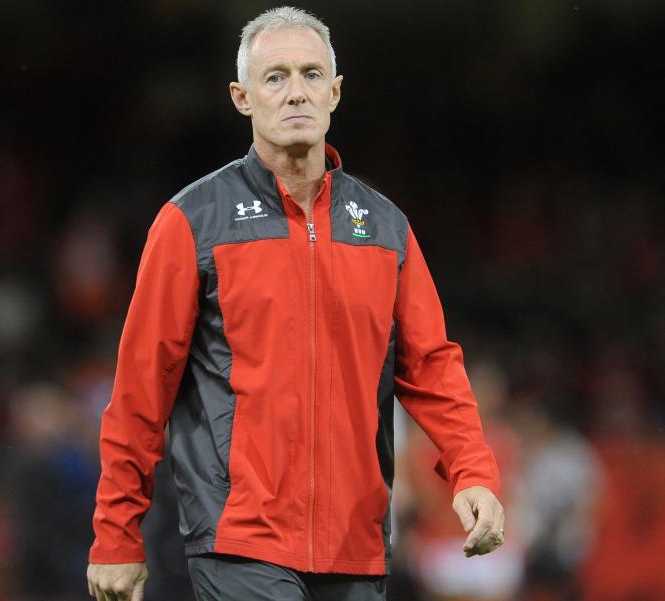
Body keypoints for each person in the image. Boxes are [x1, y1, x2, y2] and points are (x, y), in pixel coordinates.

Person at [86, 7, 505, 601]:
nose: (295, 93)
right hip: (239, 539)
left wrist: (473, 472)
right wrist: (115, 532)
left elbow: (432, 365)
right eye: (275, 77)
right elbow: (140, 387)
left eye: (311, 75)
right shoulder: (192, 222)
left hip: (356, 543)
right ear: (242, 97)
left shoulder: (386, 229)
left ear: (335, 93)